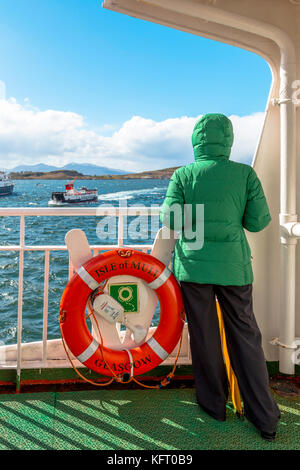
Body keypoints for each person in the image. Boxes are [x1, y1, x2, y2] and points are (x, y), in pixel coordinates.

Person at [160, 113, 280, 441]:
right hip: (234, 268)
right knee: (245, 337)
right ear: (228, 140)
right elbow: (257, 223)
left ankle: (214, 404)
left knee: (204, 335)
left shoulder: (183, 175)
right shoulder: (244, 174)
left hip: (194, 269)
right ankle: (264, 417)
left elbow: (170, 218)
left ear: (196, 141)